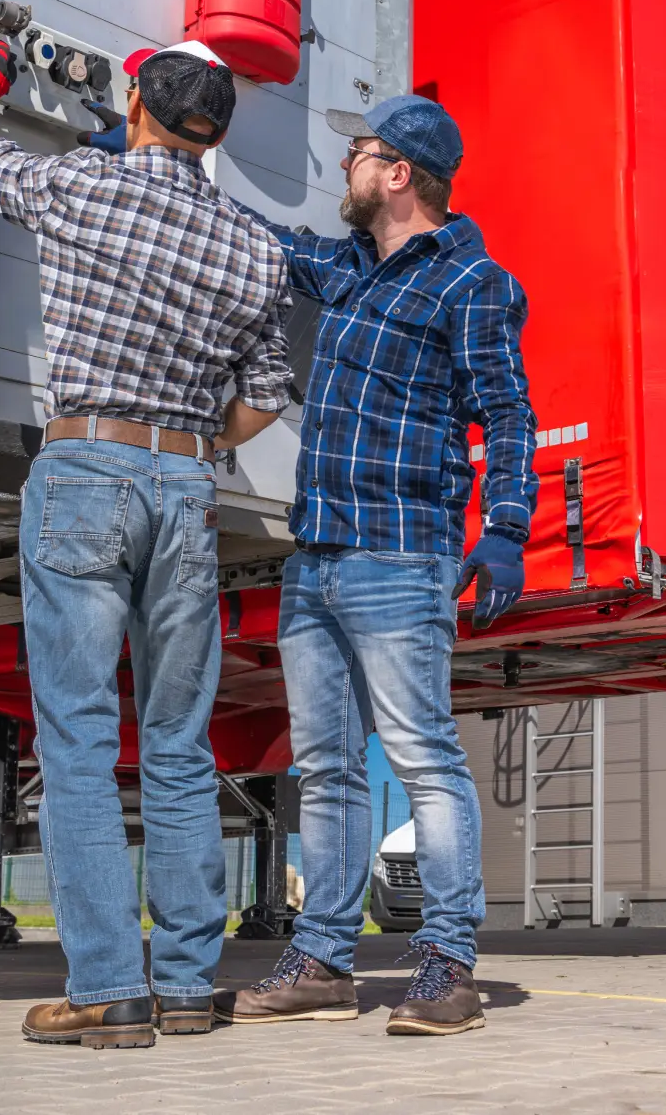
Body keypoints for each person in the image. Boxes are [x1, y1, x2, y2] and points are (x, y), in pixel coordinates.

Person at [0, 37, 292, 1048]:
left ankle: (107, 986)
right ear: (217, 131)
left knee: (82, 742)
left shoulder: (83, 189)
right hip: (185, 484)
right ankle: (186, 983)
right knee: (179, 745)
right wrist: (183, 446)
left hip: (85, 472)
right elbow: (265, 399)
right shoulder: (254, 246)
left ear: (136, 102)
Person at [211, 95, 539, 1035]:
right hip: (315, 555)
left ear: (399, 173)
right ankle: (321, 959)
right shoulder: (348, 266)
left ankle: (446, 966)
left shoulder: (470, 282)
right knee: (325, 768)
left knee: (423, 758)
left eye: (358, 152)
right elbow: (267, 242)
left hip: (402, 551)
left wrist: (506, 525)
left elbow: (507, 412)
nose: (345, 164)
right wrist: (160, 164)